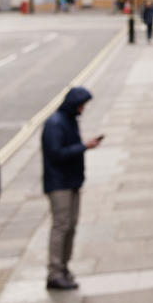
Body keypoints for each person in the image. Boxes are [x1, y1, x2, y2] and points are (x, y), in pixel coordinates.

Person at [40, 87, 101, 290]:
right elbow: (56, 154)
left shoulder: (69, 120)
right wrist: (84, 147)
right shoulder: (55, 124)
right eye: (82, 105)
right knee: (61, 226)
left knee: (71, 226)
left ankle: (64, 267)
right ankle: (54, 272)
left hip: (72, 181)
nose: (83, 109)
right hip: (59, 184)